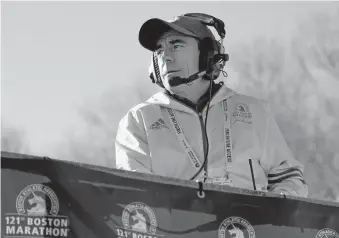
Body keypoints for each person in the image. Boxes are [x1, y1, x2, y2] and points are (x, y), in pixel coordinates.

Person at [115, 13, 308, 197]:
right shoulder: (139, 120)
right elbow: (134, 195)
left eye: (176, 45)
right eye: (159, 50)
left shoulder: (253, 111)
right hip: (176, 229)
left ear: (208, 55)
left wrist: (270, 218)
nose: (166, 57)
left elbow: (289, 179)